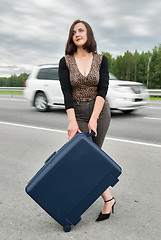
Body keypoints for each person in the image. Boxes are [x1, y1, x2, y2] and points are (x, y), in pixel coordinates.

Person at [58, 19, 116, 221]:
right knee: (85, 160)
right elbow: (66, 93)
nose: (77, 34)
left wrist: (94, 118)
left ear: (88, 33)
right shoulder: (65, 61)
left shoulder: (101, 60)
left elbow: (103, 89)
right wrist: (72, 121)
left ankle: (101, 200)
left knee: (94, 158)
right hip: (78, 114)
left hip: (100, 112)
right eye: (74, 32)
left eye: (81, 30)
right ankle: (108, 199)